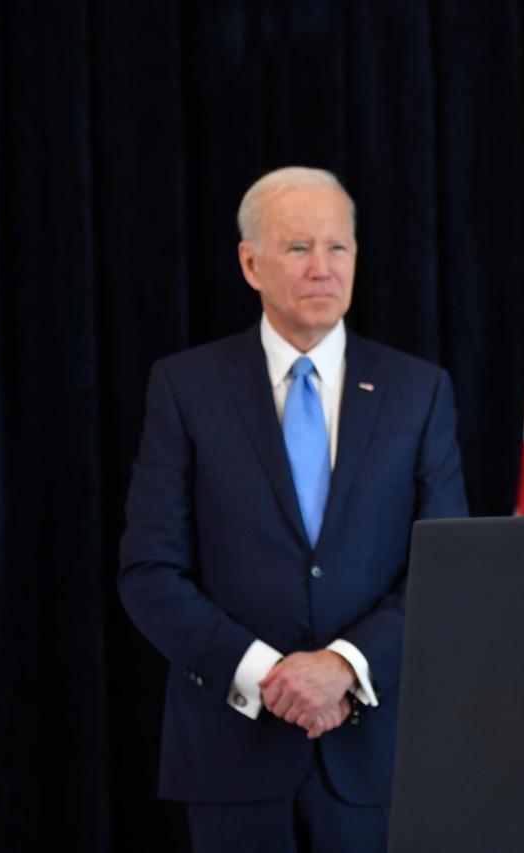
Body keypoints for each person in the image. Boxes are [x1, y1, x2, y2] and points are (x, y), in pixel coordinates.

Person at [118, 166, 467, 851]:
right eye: (298, 248)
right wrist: (269, 676)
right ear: (250, 263)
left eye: (338, 248)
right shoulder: (185, 388)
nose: (322, 267)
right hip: (231, 754)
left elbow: (447, 568)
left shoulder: (418, 391)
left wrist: (342, 665)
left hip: (377, 760)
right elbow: (148, 571)